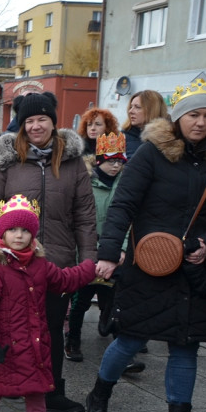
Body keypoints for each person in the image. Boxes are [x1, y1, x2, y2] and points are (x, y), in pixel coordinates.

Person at [89, 75, 206, 412]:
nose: (200, 122)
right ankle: (99, 396)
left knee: (185, 346)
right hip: (149, 265)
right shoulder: (151, 154)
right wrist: (109, 251)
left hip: (192, 270)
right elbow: (123, 206)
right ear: (177, 117)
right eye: (193, 114)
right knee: (130, 339)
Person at [0, 91, 96, 412]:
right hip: (12, 263)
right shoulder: (7, 161)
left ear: (53, 121)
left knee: (51, 330)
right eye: (29, 120)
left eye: (41, 119)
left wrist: (88, 257)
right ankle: (15, 384)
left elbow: (85, 213)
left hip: (56, 261)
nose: (35, 126)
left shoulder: (72, 162)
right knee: (15, 327)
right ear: (21, 124)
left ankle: (52, 391)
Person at [0, 195, 96, 412]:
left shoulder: (39, 264)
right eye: (13, 229)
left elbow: (64, 279)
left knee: (37, 389)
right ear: (2, 231)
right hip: (2, 344)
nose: (19, 235)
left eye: (26, 230)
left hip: (35, 342)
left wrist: (91, 268)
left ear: (33, 234)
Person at [64, 132, 130, 363]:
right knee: (80, 300)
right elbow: (80, 220)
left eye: (120, 161)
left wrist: (121, 248)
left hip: (116, 252)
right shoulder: (87, 183)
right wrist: (88, 250)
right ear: (99, 160)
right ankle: (72, 340)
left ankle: (118, 345)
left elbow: (129, 219)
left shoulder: (126, 185)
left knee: (114, 299)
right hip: (88, 250)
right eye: (111, 160)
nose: (115, 166)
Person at [122, 89, 169, 158]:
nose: (130, 111)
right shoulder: (122, 138)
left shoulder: (169, 139)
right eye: (131, 107)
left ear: (152, 110)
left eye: (137, 107)